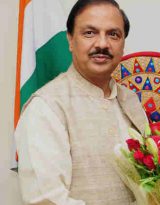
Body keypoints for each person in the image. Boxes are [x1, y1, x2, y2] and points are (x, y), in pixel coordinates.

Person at [15, 0, 148, 204]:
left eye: (113, 34)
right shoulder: (46, 106)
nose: (102, 44)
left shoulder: (130, 100)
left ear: (123, 44)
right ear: (70, 40)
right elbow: (47, 200)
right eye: (89, 33)